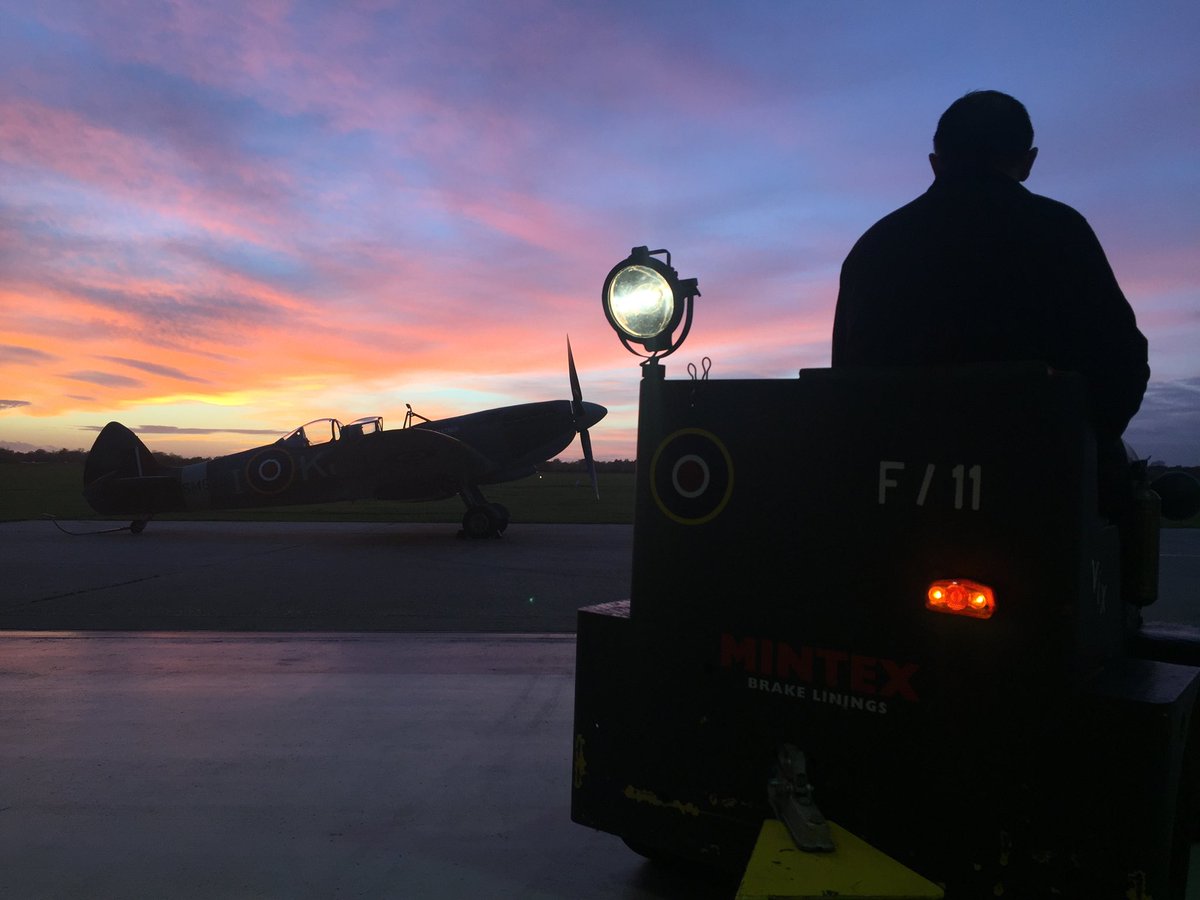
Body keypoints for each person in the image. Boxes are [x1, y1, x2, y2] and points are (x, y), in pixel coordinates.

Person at [831, 90, 1149, 451]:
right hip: (1041, 478)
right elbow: (1123, 363)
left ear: (936, 164)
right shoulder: (1063, 231)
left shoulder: (873, 247)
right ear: (1028, 163)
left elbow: (844, 380)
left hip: (891, 479)